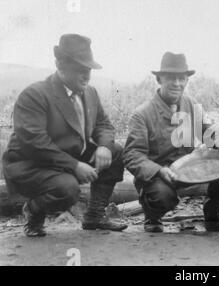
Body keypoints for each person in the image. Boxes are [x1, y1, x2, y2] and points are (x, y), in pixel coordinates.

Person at [2, 34, 127, 237]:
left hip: (67, 158)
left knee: (116, 151)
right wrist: (74, 166)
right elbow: (35, 143)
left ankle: (95, 215)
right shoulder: (35, 95)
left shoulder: (90, 93)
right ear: (60, 65)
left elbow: (103, 124)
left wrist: (104, 146)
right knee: (67, 188)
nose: (87, 75)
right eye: (80, 69)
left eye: (89, 69)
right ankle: (34, 211)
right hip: (32, 165)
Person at [123, 52, 219, 233]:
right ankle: (152, 217)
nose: (177, 84)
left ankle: (213, 215)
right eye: (171, 78)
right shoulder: (142, 114)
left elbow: (208, 129)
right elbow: (132, 155)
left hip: (190, 169)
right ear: (159, 79)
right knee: (162, 196)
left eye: (181, 78)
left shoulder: (190, 103)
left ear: (186, 81)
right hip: (159, 175)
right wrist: (158, 170)